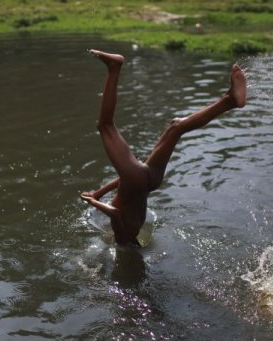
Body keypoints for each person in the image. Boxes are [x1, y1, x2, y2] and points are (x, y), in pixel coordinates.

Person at [80, 49, 246, 245]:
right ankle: (114, 68)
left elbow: (125, 182)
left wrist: (98, 192)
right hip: (138, 177)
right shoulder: (122, 237)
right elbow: (115, 214)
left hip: (151, 179)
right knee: (105, 125)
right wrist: (95, 203)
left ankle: (229, 100)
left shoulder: (137, 225)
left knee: (176, 127)